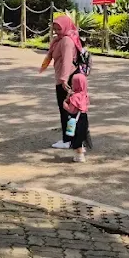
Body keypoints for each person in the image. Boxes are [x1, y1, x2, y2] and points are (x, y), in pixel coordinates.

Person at [38, 16, 82, 149]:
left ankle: (68, 139)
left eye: (59, 28)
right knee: (69, 110)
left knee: (67, 110)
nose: (57, 31)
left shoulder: (66, 41)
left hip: (66, 78)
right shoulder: (59, 40)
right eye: (55, 28)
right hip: (64, 77)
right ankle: (73, 139)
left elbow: (67, 61)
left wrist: (63, 80)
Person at [62, 71, 91, 163]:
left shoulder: (75, 97)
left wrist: (65, 104)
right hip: (84, 118)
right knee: (81, 136)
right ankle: (80, 151)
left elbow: (71, 110)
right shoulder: (84, 95)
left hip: (75, 120)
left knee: (76, 138)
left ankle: (80, 156)